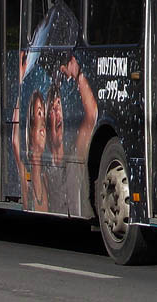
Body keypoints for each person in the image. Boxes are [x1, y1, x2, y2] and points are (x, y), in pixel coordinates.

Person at [45, 55, 98, 216]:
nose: (57, 112)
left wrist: (78, 76)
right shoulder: (43, 169)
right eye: (52, 109)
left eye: (59, 105)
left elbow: (91, 115)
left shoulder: (75, 155)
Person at [11, 53, 50, 212]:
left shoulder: (49, 174)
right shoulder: (24, 169)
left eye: (43, 118)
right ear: (28, 133)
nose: (42, 129)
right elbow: (15, 139)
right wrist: (19, 85)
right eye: (36, 122)